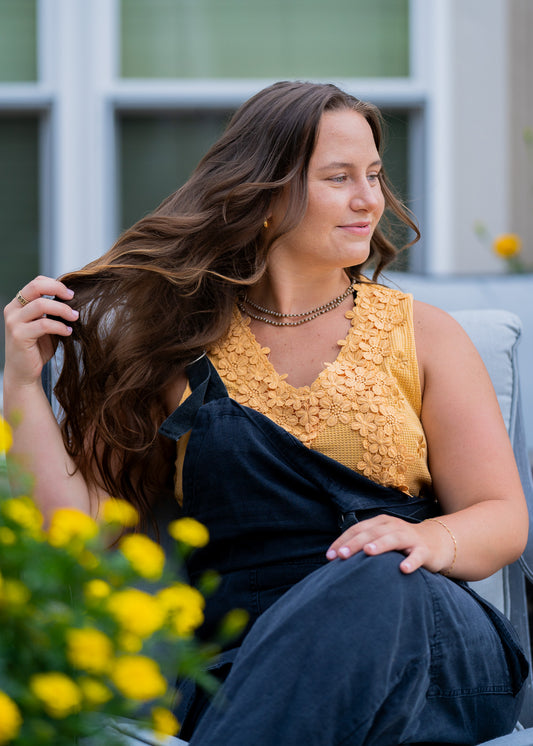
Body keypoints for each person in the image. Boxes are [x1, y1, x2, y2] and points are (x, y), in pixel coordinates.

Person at [3, 80, 529, 745]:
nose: (370, 199)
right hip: (248, 670)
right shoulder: (175, 348)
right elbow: (72, 537)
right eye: (339, 177)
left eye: (372, 175)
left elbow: (501, 518)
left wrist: (424, 541)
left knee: (373, 578)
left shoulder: (424, 334)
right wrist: (22, 384)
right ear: (265, 193)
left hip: (431, 646)